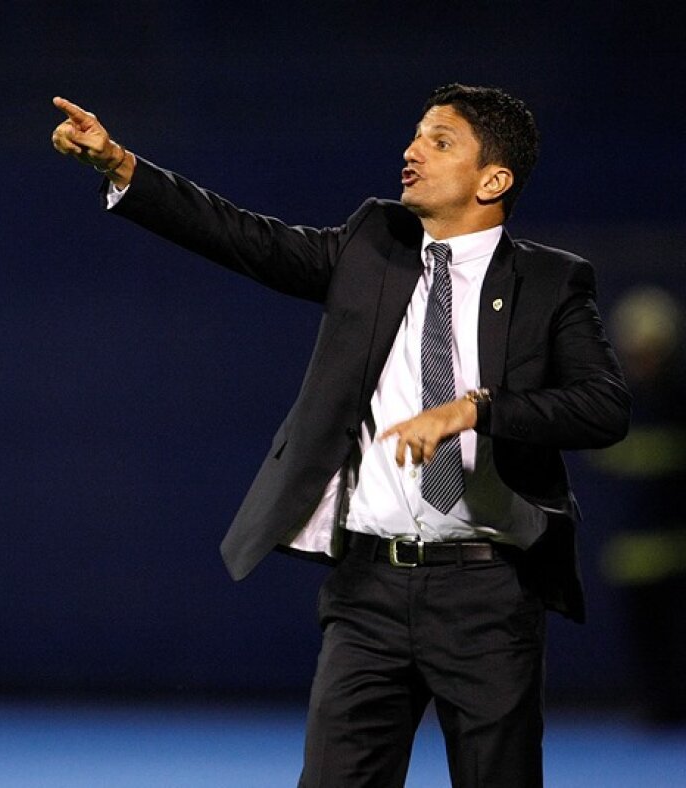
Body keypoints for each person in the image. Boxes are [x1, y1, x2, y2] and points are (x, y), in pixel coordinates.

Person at [51, 84, 631, 787]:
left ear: (493, 180)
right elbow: (244, 237)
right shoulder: (372, 245)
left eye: (440, 141)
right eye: (416, 135)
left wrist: (476, 410)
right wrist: (121, 164)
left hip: (488, 595)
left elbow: (603, 408)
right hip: (368, 593)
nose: (412, 151)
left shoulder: (551, 281)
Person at [590, 285, 686, 725]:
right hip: (632, 558)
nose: (640, 359)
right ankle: (656, 706)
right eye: (634, 351)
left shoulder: (675, 402)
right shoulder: (618, 402)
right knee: (648, 640)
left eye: (649, 351)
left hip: (675, 554)